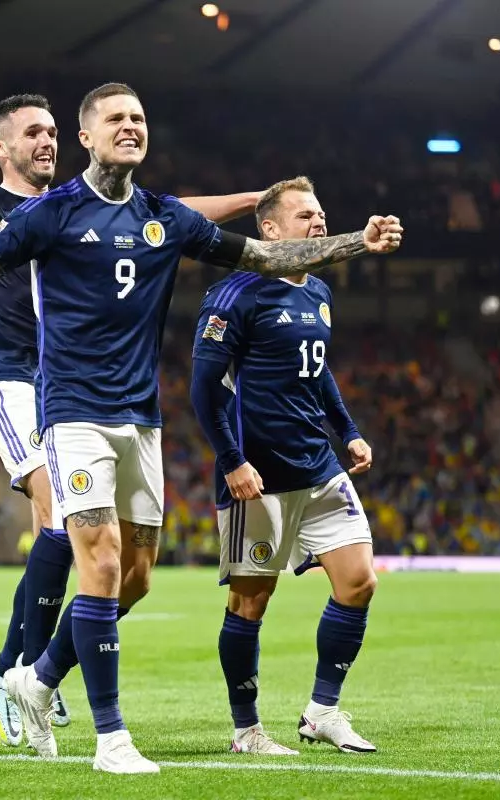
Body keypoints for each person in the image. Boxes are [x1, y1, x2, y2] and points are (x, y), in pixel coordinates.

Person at [0, 83, 402, 772]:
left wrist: (356, 243)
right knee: (102, 565)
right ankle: (112, 738)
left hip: (140, 420)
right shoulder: (51, 214)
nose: (130, 127)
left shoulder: (164, 218)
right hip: (71, 411)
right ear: (87, 135)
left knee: (136, 580)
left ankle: (36, 678)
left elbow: (264, 257)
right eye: (115, 118)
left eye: (138, 118)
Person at [0, 42, 261, 747]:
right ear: (1, 147)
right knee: (59, 516)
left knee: (117, 566)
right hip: (12, 379)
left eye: (53, 131)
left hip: (73, 384)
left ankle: (27, 672)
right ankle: (19, 670)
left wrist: (256, 200)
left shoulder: (80, 204)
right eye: (34, 132)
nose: (46, 141)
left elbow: (173, 213)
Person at [190, 176, 378, 755]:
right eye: (305, 216)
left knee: (359, 583)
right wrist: (231, 461)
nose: (319, 222)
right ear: (269, 230)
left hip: (319, 469)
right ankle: (246, 729)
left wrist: (347, 431)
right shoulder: (236, 294)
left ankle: (322, 711)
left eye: (321, 214)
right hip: (259, 477)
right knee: (251, 603)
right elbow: (203, 387)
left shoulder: (318, 292)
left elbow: (317, 372)